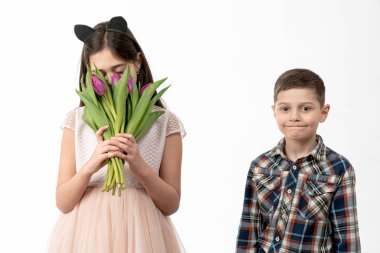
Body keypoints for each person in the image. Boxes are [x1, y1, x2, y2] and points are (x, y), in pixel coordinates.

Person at [47, 16, 186, 253]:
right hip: (86, 235)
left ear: (138, 62)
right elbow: (63, 201)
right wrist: (91, 165)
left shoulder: (165, 122)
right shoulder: (77, 121)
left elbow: (171, 204)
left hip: (144, 234)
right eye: (99, 73)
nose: (111, 82)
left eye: (119, 71)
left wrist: (138, 164)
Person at [236, 69, 361, 252]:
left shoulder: (339, 169)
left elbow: (347, 241)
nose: (294, 116)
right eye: (285, 109)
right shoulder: (260, 166)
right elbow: (248, 233)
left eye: (305, 108)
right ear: (274, 111)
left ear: (323, 112)